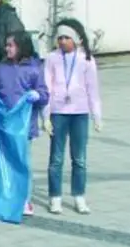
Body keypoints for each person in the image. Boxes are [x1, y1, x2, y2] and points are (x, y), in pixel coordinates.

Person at [43, 19, 103, 215]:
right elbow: (47, 87)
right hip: (59, 112)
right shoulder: (52, 58)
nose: (62, 41)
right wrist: (45, 115)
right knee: (56, 158)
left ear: (76, 39)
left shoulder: (85, 59)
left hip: (79, 112)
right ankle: (55, 197)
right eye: (59, 37)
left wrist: (97, 115)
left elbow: (92, 88)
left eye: (66, 37)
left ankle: (79, 195)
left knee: (79, 158)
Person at [0, 31, 50, 216]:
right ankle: (5, 195)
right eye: (6, 45)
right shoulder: (1, 68)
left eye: (11, 45)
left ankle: (25, 199)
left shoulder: (33, 68)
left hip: (24, 127)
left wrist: (37, 95)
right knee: (4, 162)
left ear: (21, 47)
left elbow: (44, 94)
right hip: (4, 123)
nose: (7, 48)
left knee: (22, 162)